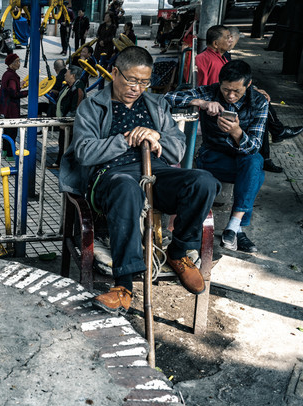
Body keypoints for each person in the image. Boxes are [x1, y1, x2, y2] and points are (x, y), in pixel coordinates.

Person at [59, 46, 220, 314]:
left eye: (144, 82)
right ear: (114, 73)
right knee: (126, 187)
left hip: (155, 171)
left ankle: (179, 251)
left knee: (203, 182)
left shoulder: (156, 104)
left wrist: (157, 137)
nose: (137, 88)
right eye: (132, 80)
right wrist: (123, 140)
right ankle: (123, 286)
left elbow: (177, 149)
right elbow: (85, 152)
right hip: (110, 176)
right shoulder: (93, 105)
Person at [165, 60, 268, 254]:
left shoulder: (259, 102)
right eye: (226, 89)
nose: (230, 96)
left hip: (242, 161)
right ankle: (237, 229)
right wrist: (201, 102)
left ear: (248, 85)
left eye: (236, 91)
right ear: (219, 83)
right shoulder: (210, 92)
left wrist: (236, 132)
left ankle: (233, 226)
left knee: (255, 162)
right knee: (257, 174)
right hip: (212, 157)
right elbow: (168, 98)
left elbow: (254, 145)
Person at [222, 26, 303, 173]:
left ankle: (275, 136)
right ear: (216, 42)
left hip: (237, 98)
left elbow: (236, 82)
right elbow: (223, 86)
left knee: (261, 102)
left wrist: (251, 89)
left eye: (230, 38)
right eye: (227, 38)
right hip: (224, 106)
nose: (230, 41)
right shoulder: (216, 59)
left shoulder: (224, 56)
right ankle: (276, 134)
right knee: (259, 106)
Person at [48, 65, 86, 169]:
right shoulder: (68, 86)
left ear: (73, 75)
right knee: (62, 142)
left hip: (69, 123)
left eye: (67, 73)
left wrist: (66, 122)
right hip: (63, 121)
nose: (65, 74)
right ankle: (60, 162)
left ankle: (66, 165)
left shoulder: (78, 88)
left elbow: (76, 108)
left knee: (67, 143)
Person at [0, 53, 28, 160]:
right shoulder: (13, 77)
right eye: (17, 61)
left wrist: (20, 84)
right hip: (12, 108)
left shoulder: (7, 74)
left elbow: (10, 88)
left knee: (7, 129)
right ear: (11, 64)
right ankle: (10, 154)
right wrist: (28, 92)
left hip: (6, 107)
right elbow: (14, 94)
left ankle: (4, 151)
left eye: (19, 61)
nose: (19, 63)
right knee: (12, 131)